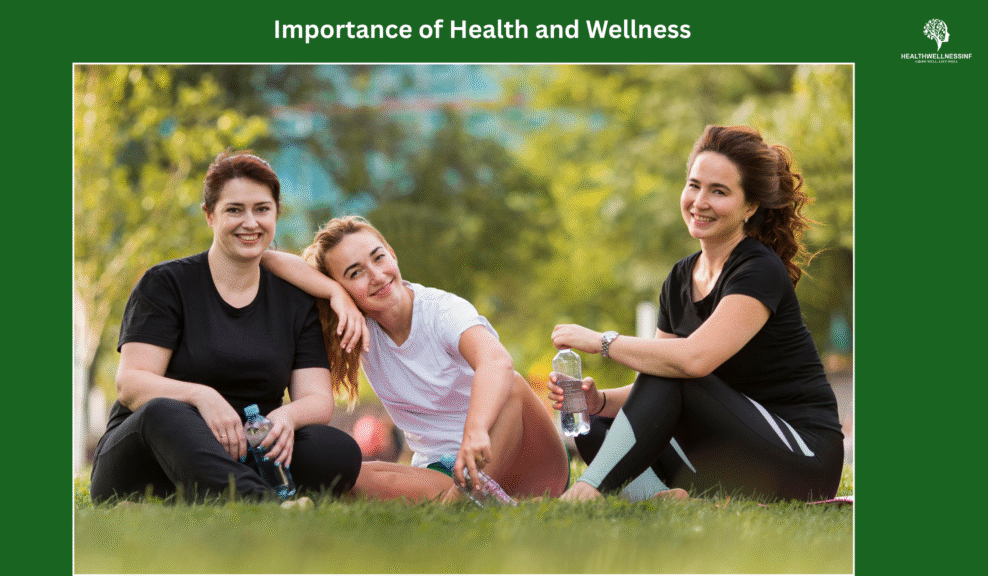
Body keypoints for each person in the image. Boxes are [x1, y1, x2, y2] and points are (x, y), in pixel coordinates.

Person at [549, 125, 844, 503]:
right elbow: (657, 389)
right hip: (730, 453)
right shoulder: (679, 278)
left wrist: (601, 342)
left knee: (681, 368)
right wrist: (600, 401)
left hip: (801, 459)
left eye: (718, 191)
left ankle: (585, 492)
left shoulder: (758, 269)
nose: (700, 201)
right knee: (590, 428)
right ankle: (665, 498)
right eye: (694, 185)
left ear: (749, 207)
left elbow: (692, 362)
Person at [89, 150, 365, 503]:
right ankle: (265, 504)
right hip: (149, 454)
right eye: (234, 210)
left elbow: (317, 400)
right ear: (210, 215)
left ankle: (201, 494)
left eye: (262, 209)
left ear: (276, 213)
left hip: (246, 447)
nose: (250, 222)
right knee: (162, 412)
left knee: (335, 449)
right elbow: (130, 384)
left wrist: (285, 418)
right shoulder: (167, 284)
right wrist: (200, 397)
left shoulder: (294, 301)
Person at [262, 216, 570, 503]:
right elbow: (269, 258)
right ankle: (467, 499)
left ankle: (459, 504)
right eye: (355, 273)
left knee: (512, 385)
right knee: (345, 474)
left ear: (392, 255)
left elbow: (495, 362)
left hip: (520, 455)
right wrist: (333, 293)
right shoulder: (359, 328)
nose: (376, 275)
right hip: (447, 472)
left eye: (378, 257)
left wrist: (475, 431)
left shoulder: (441, 311)